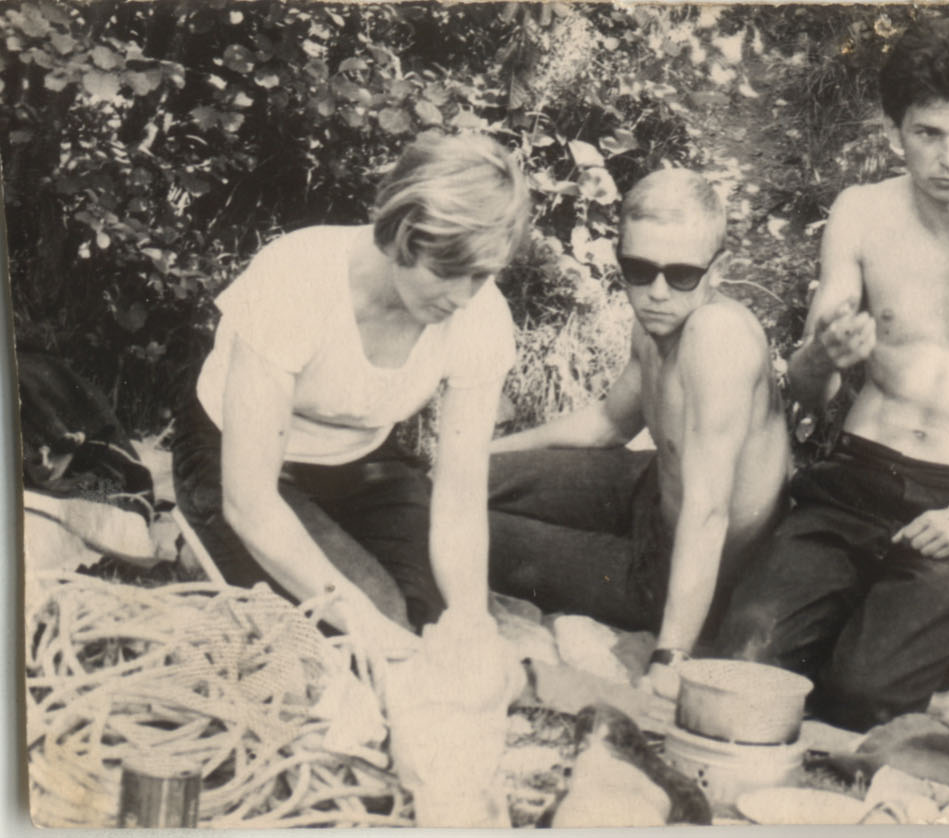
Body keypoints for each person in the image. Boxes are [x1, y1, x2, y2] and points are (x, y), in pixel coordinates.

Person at [709, 19, 949, 731]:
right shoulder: (861, 213)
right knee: (743, 663)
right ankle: (892, 626)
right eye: (928, 134)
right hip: (854, 481)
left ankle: (925, 641)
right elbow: (809, 390)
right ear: (894, 133)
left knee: (862, 701)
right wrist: (823, 355)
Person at [172, 132, 529, 659]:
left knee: (437, 617)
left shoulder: (482, 313)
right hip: (237, 460)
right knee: (364, 629)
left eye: (481, 275)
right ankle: (197, 538)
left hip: (360, 459)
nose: (462, 296)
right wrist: (366, 623)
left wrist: (469, 618)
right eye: (447, 272)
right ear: (404, 232)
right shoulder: (296, 275)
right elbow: (251, 500)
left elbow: (459, 497)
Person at [486, 168, 790, 697]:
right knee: (465, 478)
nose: (656, 292)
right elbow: (610, 423)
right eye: (639, 269)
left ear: (718, 271)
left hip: (679, 568)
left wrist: (670, 658)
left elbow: (708, 512)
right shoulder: (657, 319)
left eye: (682, 274)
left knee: (466, 524)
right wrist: (482, 451)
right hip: (649, 493)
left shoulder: (718, 338)